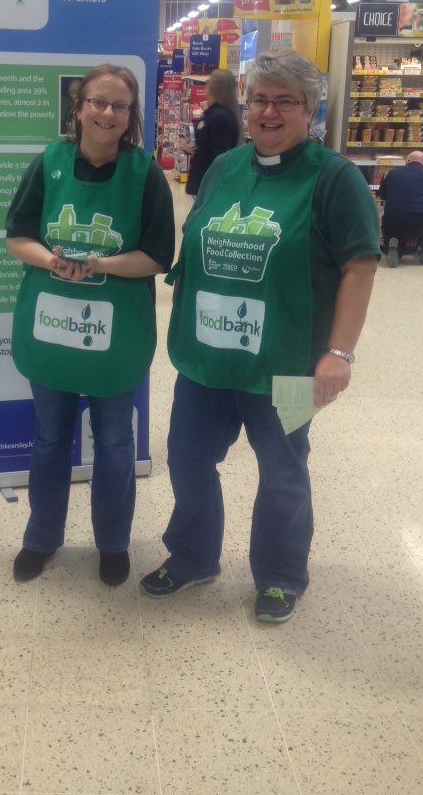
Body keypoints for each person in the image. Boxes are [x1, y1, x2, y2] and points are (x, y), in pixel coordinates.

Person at [140, 50, 380, 623]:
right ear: (245, 106)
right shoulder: (225, 166)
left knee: (283, 472)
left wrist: (339, 353)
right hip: (208, 358)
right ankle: (194, 554)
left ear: (311, 110)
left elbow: (360, 266)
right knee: (189, 459)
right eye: (259, 99)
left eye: (285, 101)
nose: (269, 112)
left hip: (290, 365)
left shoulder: (335, 178)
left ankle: (280, 574)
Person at [6, 64, 175, 586]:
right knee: (50, 440)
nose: (107, 113)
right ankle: (41, 537)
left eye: (119, 106)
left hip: (115, 340)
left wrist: (98, 265)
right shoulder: (49, 164)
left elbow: (157, 256)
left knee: (116, 444)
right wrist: (52, 261)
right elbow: (18, 238)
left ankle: (113, 542)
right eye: (98, 103)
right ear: (77, 108)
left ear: (131, 117)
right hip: (51, 331)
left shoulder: (145, 174)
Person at [182, 69, 243, 198]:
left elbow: (221, 156)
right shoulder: (213, 113)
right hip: (205, 185)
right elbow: (205, 145)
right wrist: (189, 148)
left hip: (211, 187)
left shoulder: (220, 117)